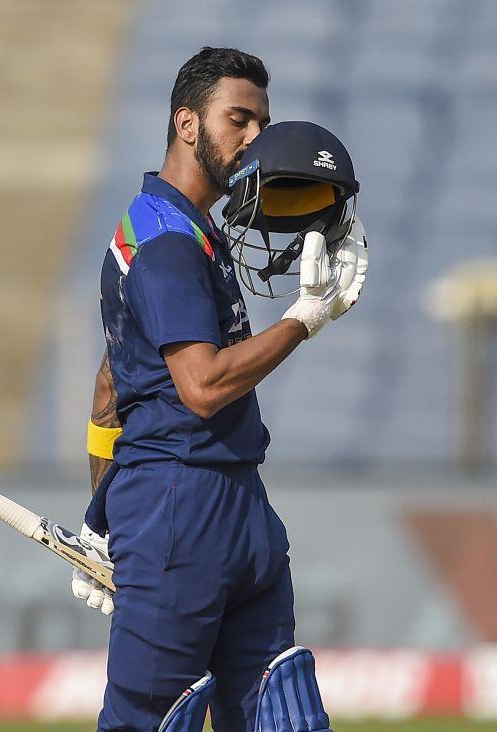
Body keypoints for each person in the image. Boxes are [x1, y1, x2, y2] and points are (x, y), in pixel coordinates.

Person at [72, 47, 368, 732]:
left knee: (280, 716)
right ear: (186, 124)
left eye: (260, 123)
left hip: (234, 504)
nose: (252, 138)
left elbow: (109, 383)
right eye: (237, 119)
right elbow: (203, 388)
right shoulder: (165, 238)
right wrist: (303, 320)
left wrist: (100, 518)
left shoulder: (189, 231)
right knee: (151, 719)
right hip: (180, 509)